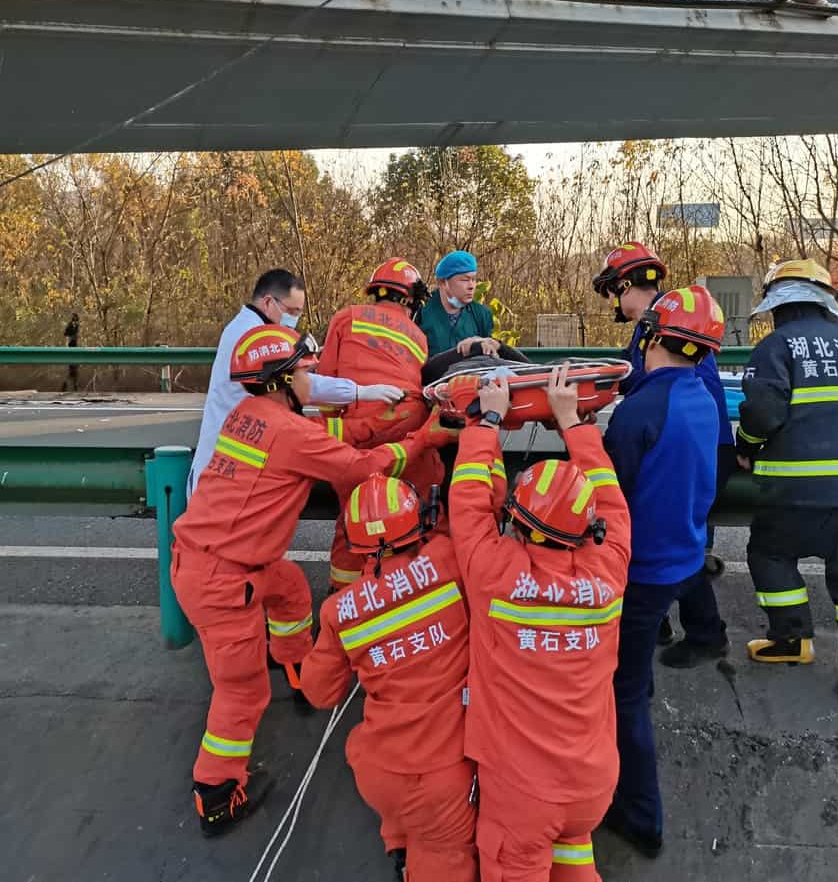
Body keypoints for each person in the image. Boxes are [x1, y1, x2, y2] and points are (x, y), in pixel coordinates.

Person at [171, 324, 457, 836]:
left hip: (223, 562)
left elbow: (316, 443)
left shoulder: (248, 415)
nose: (313, 375)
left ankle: (298, 668)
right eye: (305, 369)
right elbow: (362, 469)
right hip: (223, 579)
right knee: (240, 692)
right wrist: (425, 438)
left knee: (290, 591)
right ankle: (216, 791)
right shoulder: (290, 432)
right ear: (282, 379)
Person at [451, 365, 632, 882]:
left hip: (523, 793)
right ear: (587, 528)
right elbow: (611, 497)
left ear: (517, 520)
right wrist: (573, 420)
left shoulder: (496, 573)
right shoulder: (609, 569)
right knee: (574, 858)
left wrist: (487, 418)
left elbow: (465, 499)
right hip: (592, 783)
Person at [600, 285, 727, 859]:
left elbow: (607, 493)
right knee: (635, 675)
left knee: (622, 693)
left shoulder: (640, 412)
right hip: (682, 558)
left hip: (641, 572)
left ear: (651, 337)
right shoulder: (701, 395)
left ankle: (640, 815)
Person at [301, 473, 479, 882]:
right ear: (421, 520)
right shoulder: (448, 561)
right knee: (442, 856)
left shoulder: (339, 612)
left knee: (400, 803)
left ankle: (400, 844)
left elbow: (320, 692)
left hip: (378, 770)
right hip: (442, 775)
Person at [736, 259, 838, 706]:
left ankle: (791, 641)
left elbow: (764, 413)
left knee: (769, 553)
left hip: (796, 492)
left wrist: (746, 443)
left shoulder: (777, 346)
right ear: (827, 301)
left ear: (778, 305)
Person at [592, 244, 735, 661]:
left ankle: (666, 624)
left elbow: (675, 389)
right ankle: (702, 633)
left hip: (683, 448)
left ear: (623, 285)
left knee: (662, 542)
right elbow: (629, 374)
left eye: (612, 292)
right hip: (690, 444)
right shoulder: (651, 330)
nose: (613, 303)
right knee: (681, 548)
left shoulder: (670, 329)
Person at [187, 269, 404, 496]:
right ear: (269, 302)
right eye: (291, 311)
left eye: (299, 313)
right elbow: (303, 383)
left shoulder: (249, 330)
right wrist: (359, 391)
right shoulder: (254, 338)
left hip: (227, 468)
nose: (294, 319)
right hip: (226, 477)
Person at [317, 259, 444, 590]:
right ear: (410, 300)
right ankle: (401, 592)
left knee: (352, 521)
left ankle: (342, 599)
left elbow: (327, 385)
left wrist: (334, 439)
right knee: (408, 514)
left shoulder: (345, 319)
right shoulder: (418, 336)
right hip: (403, 430)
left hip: (354, 441)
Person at [417, 250, 499, 358]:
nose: (471, 286)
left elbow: (493, 354)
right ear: (443, 283)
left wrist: (483, 342)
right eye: (465, 280)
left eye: (474, 279)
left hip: (470, 374)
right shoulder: (421, 311)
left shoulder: (481, 314)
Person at [61, 312, 80, 393]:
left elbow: (75, 335)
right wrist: (70, 337)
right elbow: (65, 334)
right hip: (71, 346)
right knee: (72, 368)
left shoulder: (77, 326)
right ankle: (68, 385)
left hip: (75, 347)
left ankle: (73, 386)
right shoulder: (69, 325)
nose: (75, 321)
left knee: (74, 368)